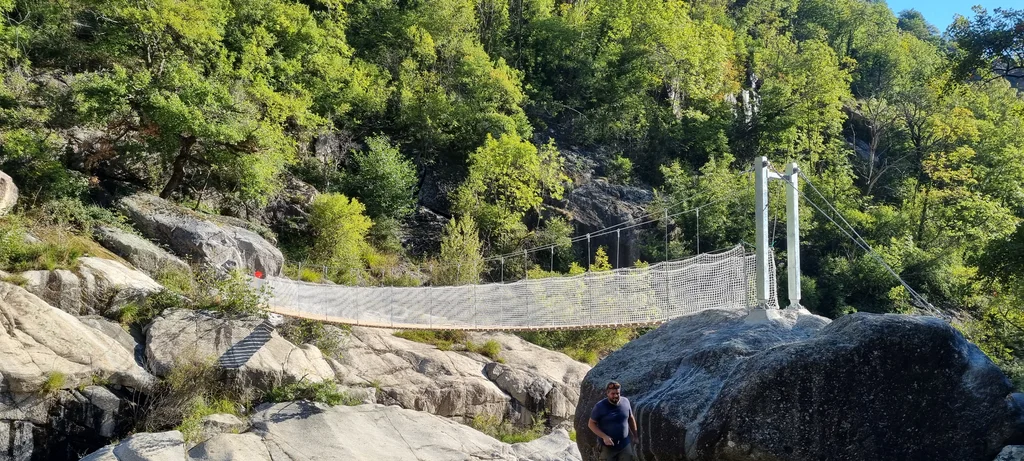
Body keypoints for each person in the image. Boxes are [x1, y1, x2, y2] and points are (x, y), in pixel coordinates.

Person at [588, 381, 638, 460]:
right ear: (607, 393)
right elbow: (591, 424)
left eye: (617, 393)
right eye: (612, 394)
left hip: (624, 445)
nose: (615, 396)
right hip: (607, 448)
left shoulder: (625, 402)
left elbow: (631, 418)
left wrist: (635, 436)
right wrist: (604, 437)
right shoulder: (599, 406)